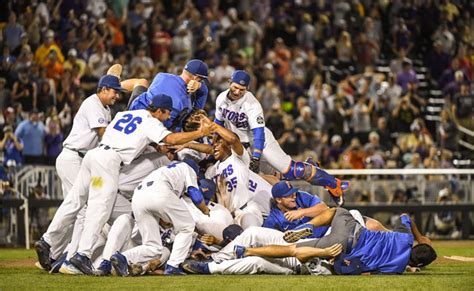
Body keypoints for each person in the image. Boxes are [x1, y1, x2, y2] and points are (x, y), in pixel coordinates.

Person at [35, 86, 214, 275]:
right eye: (166, 113)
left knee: (76, 200)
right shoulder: (151, 122)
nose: (167, 118)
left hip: (93, 156)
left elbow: (135, 136)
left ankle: (48, 240)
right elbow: (171, 138)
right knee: (100, 208)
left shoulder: (124, 114)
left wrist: (154, 145)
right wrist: (199, 133)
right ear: (159, 110)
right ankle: (82, 255)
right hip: (109, 161)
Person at [214, 70, 349, 205]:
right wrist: (214, 141)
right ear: (229, 83)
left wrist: (256, 156)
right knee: (270, 181)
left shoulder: (252, 104)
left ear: (247, 89)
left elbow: (259, 133)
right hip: (240, 145)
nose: (237, 92)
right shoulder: (221, 98)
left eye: (241, 89)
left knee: (290, 170)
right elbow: (218, 123)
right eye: (235, 87)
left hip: (260, 143)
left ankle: (333, 184)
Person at [242, 207, 437, 275]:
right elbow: (367, 272)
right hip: (341, 247)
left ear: (417, 245)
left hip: (352, 228)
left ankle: (309, 224)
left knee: (337, 211)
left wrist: (420, 237)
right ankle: (249, 252)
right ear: (417, 263)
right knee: (292, 250)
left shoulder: (406, 237)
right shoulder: (395, 270)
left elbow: (405, 216)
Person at [109, 159, 211, 276]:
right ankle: (173, 266)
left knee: (153, 247)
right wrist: (205, 209)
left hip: (138, 197)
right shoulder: (187, 168)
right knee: (187, 227)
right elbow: (195, 194)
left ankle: (122, 257)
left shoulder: (166, 170)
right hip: (159, 192)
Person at [128, 59, 209, 131]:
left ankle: (116, 83)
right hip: (145, 129)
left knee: (142, 82)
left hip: (131, 112)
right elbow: (197, 112)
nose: (201, 82)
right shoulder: (185, 104)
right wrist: (201, 87)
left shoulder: (161, 76)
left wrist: (199, 85)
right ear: (195, 78)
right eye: (201, 80)